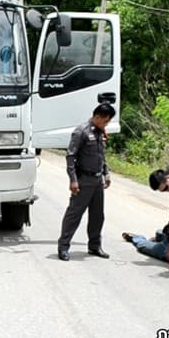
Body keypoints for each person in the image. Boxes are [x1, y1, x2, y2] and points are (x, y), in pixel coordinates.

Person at [57, 102, 116, 261]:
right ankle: (63, 247)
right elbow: (70, 156)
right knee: (74, 214)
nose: (106, 124)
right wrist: (73, 180)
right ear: (97, 117)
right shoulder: (81, 132)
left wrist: (106, 173)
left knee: (98, 216)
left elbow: (101, 156)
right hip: (83, 180)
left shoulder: (99, 132)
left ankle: (95, 246)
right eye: (105, 121)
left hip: (97, 181)